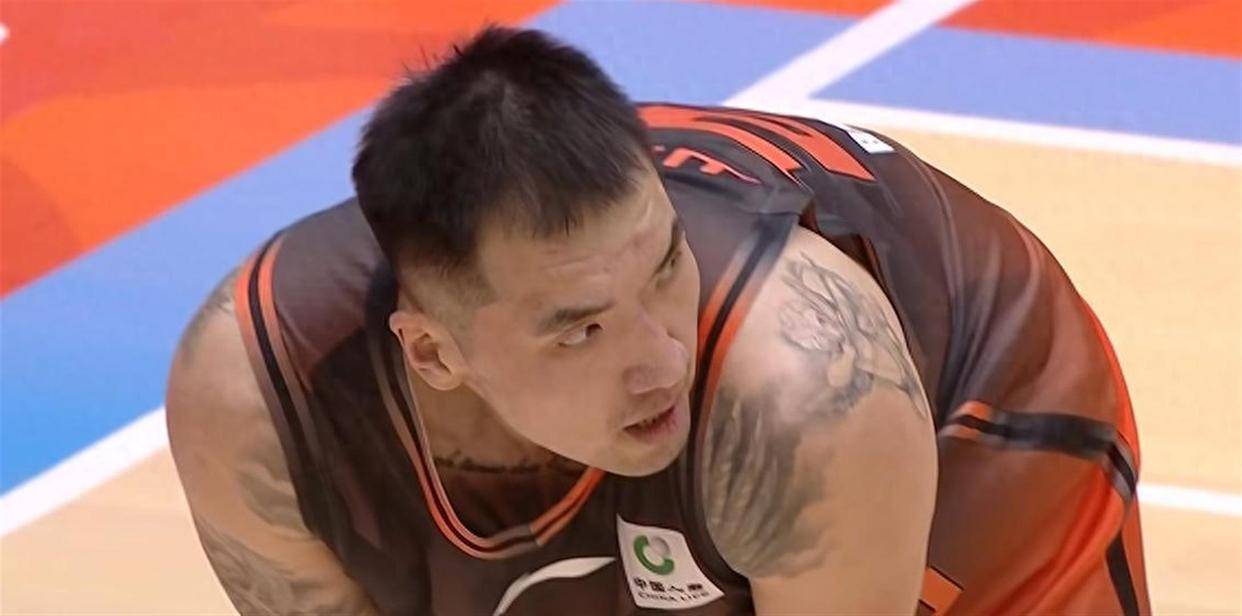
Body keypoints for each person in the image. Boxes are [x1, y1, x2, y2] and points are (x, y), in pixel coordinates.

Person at [166, 26, 1148, 615]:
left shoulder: (804, 389)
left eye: (667, 266)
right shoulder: (256, 404)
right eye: (582, 330)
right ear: (432, 352)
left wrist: (617, 317)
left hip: (977, 417)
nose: (661, 357)